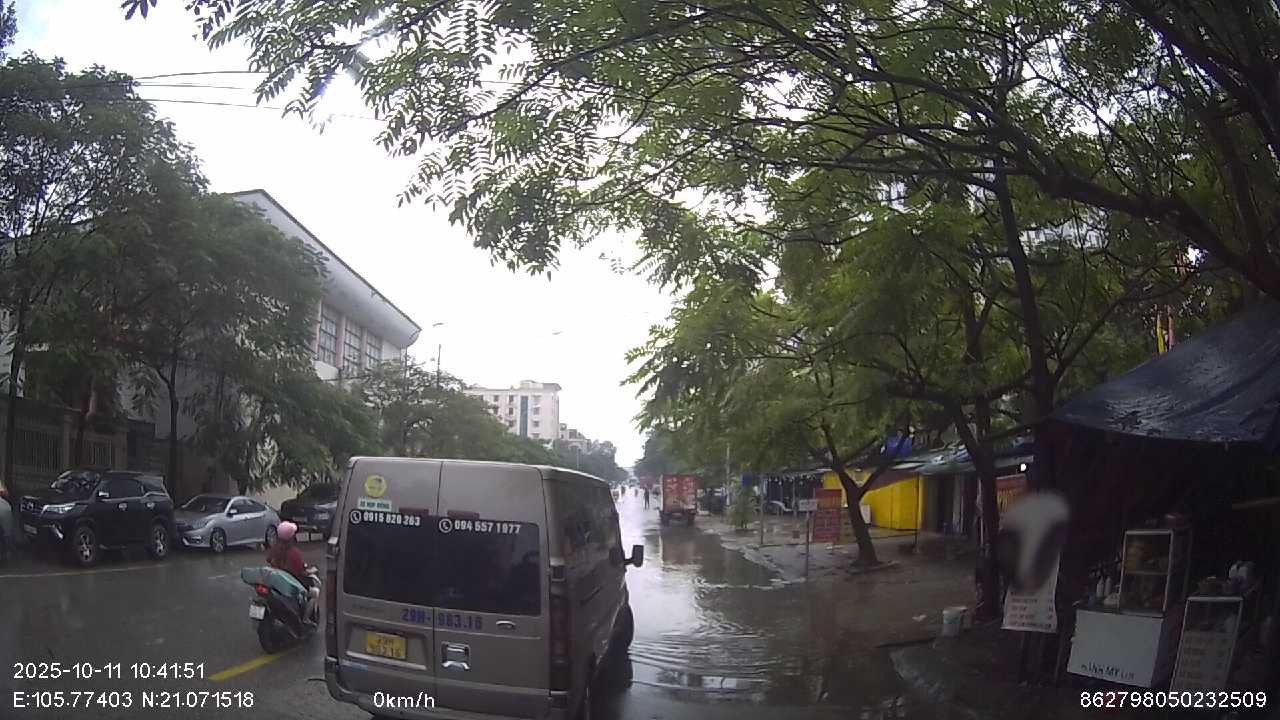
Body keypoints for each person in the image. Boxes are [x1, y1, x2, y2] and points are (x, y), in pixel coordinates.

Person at [266, 521, 315, 623]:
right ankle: (305, 619)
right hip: (291, 585)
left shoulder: (275, 549)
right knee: (315, 593)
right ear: (291, 537)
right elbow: (300, 572)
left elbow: (268, 559)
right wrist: (311, 572)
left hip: (276, 583)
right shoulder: (294, 553)